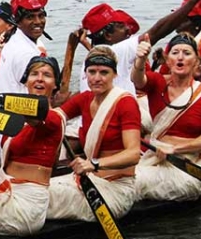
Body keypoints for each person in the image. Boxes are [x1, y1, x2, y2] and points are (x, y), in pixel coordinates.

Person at [48, 46, 141, 221]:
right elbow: (54, 118)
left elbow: (133, 154)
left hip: (115, 188)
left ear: (115, 75)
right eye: (92, 72)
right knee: (36, 190)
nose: (97, 78)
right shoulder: (85, 98)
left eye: (104, 72)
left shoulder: (126, 103)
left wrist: (94, 164)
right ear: (85, 74)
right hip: (87, 180)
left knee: (42, 199)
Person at [78, 0, 201, 94]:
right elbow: (159, 31)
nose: (127, 30)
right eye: (120, 27)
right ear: (108, 35)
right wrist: (193, 1)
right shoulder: (116, 52)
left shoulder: (88, 62)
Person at [131, 36, 201, 201]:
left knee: (134, 181)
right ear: (168, 61)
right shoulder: (157, 82)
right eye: (175, 53)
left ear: (197, 61)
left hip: (187, 165)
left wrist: (176, 149)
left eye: (186, 53)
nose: (180, 57)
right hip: (155, 156)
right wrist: (140, 60)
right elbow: (138, 80)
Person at [0, 56, 65, 235]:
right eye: (34, 74)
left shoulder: (54, 118)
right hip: (3, 190)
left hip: (26, 206)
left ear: (55, 84)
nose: (39, 78)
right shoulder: (13, 118)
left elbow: (34, 115)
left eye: (47, 75)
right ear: (26, 81)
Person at [0, 0, 49, 167]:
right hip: (20, 134)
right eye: (30, 17)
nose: (38, 22)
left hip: (7, 129)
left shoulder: (14, 42)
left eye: (41, 15)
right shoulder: (26, 53)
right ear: (17, 20)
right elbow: (44, 97)